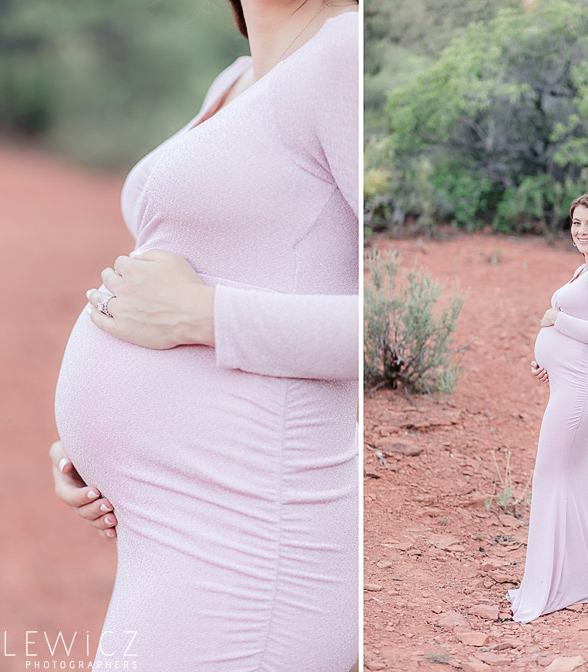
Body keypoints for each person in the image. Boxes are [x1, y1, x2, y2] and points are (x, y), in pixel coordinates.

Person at [49, 1, 360, 669]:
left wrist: (205, 316)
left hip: (251, 549)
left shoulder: (344, 56)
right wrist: (98, 448)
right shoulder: (238, 77)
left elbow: (399, 332)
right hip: (178, 532)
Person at [506, 192, 588, 623]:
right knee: (575, 478)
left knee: (551, 476)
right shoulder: (587, 268)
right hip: (571, 385)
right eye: (575, 222)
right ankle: (579, 580)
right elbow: (579, 337)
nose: (580, 230)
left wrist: (555, 323)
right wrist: (548, 361)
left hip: (582, 392)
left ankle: (552, 584)